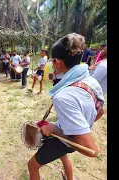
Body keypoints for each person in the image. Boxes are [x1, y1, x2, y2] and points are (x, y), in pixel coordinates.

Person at [27, 33, 105, 180]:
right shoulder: (91, 81)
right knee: (63, 158)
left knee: (32, 166)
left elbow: (91, 150)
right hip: (69, 134)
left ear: (57, 62)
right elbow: (100, 112)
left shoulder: (63, 97)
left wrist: (53, 128)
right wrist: (82, 127)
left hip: (66, 141)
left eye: (52, 61)